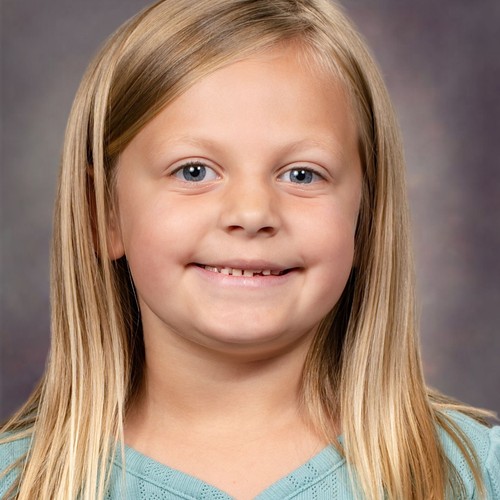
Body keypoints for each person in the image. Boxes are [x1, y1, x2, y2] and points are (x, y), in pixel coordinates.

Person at [1, 0, 499, 498]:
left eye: (302, 174)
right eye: (194, 171)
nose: (253, 212)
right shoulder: (18, 484)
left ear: (366, 219)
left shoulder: (479, 476)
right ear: (103, 214)